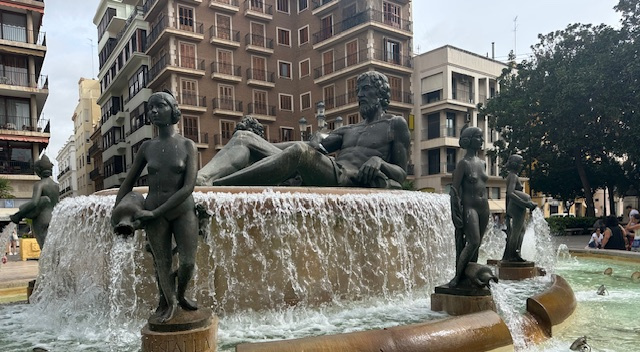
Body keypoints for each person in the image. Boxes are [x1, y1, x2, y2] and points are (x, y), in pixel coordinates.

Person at [208, 71, 410, 189]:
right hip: (329, 169)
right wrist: (316, 138)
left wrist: (380, 163)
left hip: (347, 179)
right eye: (358, 90)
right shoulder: (349, 129)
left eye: (365, 89)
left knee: (300, 152)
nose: (360, 95)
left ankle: (220, 186)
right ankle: (203, 179)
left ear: (381, 92)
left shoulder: (395, 124)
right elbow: (316, 145)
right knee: (244, 137)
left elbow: (401, 174)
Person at [112, 90, 199, 323]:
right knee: (162, 262)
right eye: (150, 108)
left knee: (188, 262)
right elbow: (128, 182)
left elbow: (188, 187)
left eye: (160, 106)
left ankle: (181, 294)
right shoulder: (146, 148)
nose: (154, 111)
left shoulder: (188, 146)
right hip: (152, 211)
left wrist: (156, 212)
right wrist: (117, 211)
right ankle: (168, 303)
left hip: (181, 209)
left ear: (173, 110)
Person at [448, 126, 490, 287]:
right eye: (478, 137)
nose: (482, 140)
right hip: (469, 208)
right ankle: (457, 277)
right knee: (473, 241)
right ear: (468, 140)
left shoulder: (483, 163)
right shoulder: (463, 164)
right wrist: (455, 213)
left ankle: (470, 276)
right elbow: (454, 190)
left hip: (484, 207)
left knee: (477, 245)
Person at [9, 155, 59, 248]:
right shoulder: (56, 186)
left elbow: (34, 203)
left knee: (44, 249)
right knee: (53, 249)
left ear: (38, 171)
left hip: (42, 218)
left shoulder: (39, 184)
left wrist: (19, 215)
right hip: (54, 219)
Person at [501, 154, 537, 262]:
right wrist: (525, 203)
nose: (522, 166)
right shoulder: (513, 176)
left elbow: (508, 196)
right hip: (517, 207)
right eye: (520, 163)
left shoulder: (512, 176)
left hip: (514, 206)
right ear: (515, 164)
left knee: (521, 231)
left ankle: (515, 253)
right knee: (516, 232)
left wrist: (507, 212)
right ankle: (512, 256)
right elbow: (510, 193)